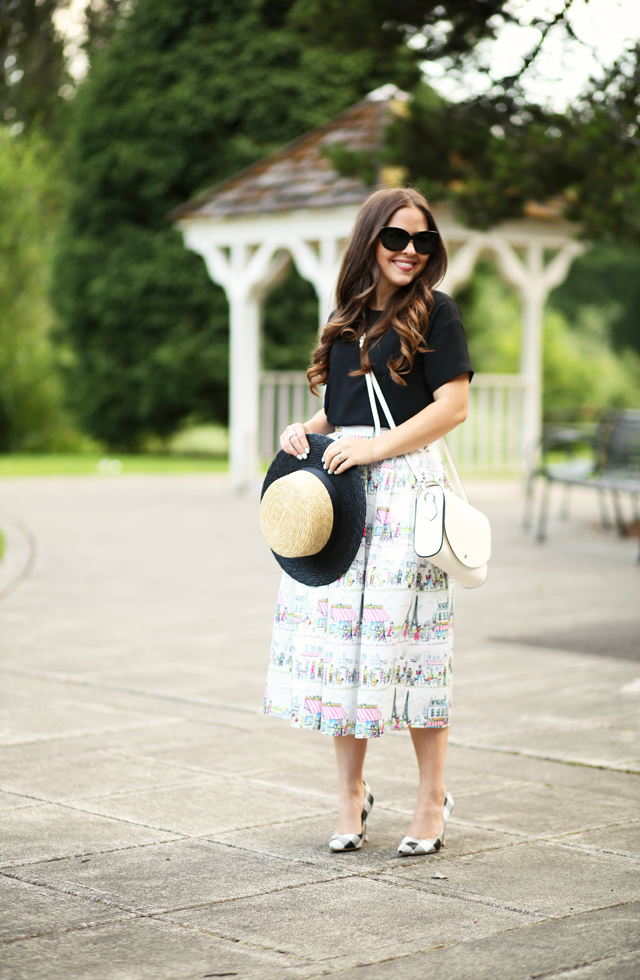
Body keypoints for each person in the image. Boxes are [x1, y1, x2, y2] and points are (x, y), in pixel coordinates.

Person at [263, 186, 472, 855]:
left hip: (405, 493)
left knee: (412, 650)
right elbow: (344, 408)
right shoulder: (347, 316)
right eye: (396, 239)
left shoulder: (437, 313)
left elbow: (452, 407)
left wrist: (376, 448)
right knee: (342, 652)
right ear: (370, 242)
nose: (411, 251)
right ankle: (351, 795)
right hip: (343, 495)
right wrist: (306, 429)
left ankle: (431, 797)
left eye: (423, 242)